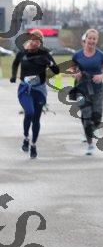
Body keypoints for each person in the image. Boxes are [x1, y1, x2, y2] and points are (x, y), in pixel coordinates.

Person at [10, 29, 60, 158]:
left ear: (40, 43)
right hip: (25, 89)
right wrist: (13, 76)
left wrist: (49, 63)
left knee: (36, 118)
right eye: (33, 40)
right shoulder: (22, 53)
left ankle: (33, 145)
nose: (34, 42)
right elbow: (15, 64)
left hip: (39, 90)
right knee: (29, 112)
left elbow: (56, 70)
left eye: (38, 41)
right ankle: (26, 137)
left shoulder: (45, 54)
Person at [69, 28, 103, 155]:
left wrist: (102, 75)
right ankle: (90, 144)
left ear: (97, 40)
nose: (92, 41)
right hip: (82, 90)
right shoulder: (77, 55)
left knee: (97, 118)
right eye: (90, 38)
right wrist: (76, 73)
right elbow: (71, 69)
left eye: (94, 39)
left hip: (97, 91)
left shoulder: (101, 55)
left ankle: (90, 130)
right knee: (86, 115)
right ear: (86, 39)